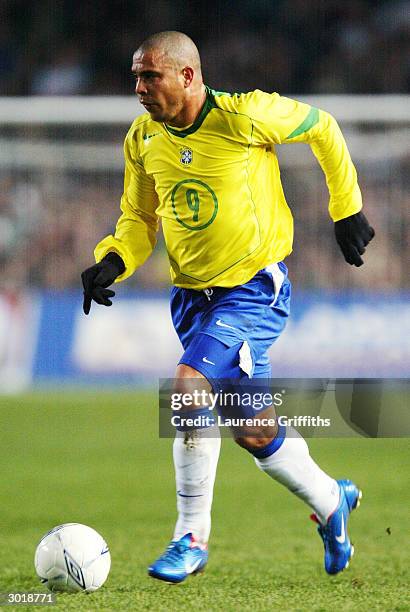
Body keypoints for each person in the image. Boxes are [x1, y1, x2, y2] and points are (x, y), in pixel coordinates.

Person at [81, 31, 374, 584]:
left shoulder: (243, 116)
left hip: (252, 291)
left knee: (190, 384)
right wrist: (113, 259)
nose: (139, 88)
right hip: (191, 299)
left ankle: (189, 536)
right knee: (253, 431)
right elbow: (139, 220)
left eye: (151, 76)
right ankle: (332, 500)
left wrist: (346, 208)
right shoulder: (142, 139)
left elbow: (323, 127)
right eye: (136, 77)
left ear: (188, 76)